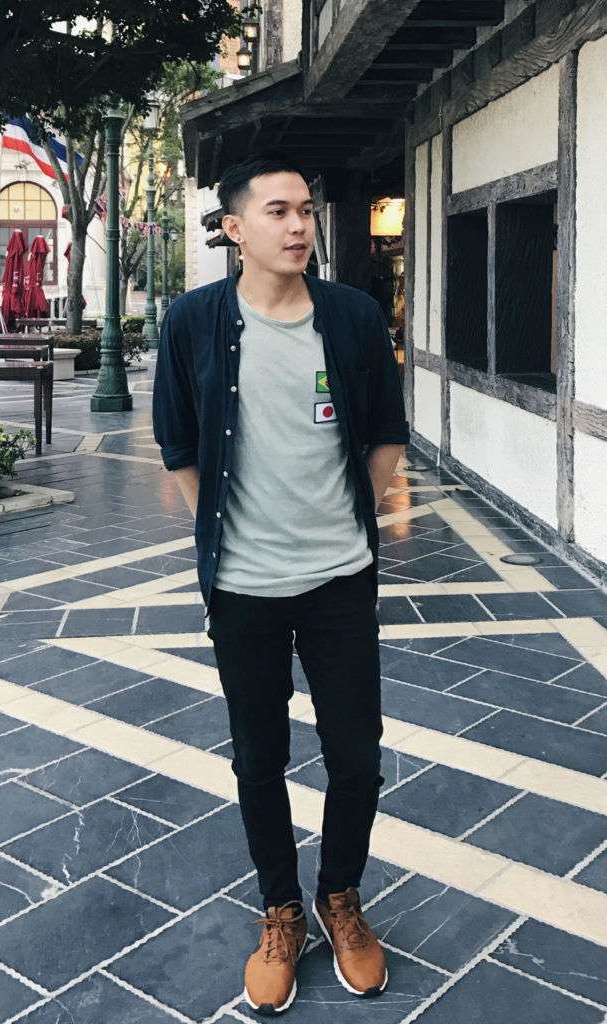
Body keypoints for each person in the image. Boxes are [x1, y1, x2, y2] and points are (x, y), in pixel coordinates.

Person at [153, 155, 409, 1016]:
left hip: (339, 579)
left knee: (358, 758)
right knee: (258, 757)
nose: (299, 226)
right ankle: (280, 908)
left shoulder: (354, 316)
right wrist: (225, 538)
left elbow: (382, 433)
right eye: (278, 212)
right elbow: (179, 444)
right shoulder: (191, 321)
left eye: (305, 211)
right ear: (234, 229)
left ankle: (340, 896)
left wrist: (343, 523)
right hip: (242, 587)